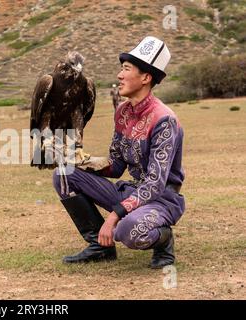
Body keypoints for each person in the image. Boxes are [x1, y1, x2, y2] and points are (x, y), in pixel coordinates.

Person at [53, 36, 185, 269]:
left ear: (145, 77)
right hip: (131, 192)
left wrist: (113, 217)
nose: (119, 75)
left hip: (161, 199)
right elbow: (115, 166)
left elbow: (154, 184)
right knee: (64, 173)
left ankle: (164, 240)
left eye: (126, 69)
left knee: (128, 231)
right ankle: (99, 247)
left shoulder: (165, 120)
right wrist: (78, 158)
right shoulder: (123, 112)